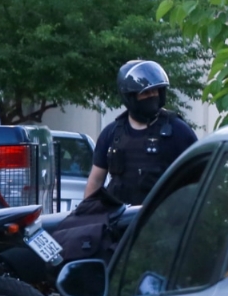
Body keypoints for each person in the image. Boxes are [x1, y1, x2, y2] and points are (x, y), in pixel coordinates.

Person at [82, 60, 198, 207]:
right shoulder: (111, 133)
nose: (152, 96)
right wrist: (86, 217)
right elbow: (96, 181)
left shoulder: (178, 131)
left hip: (161, 222)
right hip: (119, 223)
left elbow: (199, 177)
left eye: (156, 91)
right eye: (146, 93)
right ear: (130, 97)